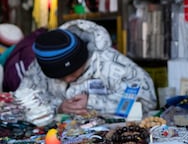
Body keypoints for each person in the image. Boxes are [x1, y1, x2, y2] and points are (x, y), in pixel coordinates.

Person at [16, 19, 157, 115]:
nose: (68, 79)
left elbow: (147, 101)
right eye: (60, 77)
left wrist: (92, 103)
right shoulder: (40, 66)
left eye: (72, 72)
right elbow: (20, 102)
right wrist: (58, 107)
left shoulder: (111, 63)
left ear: (83, 58)